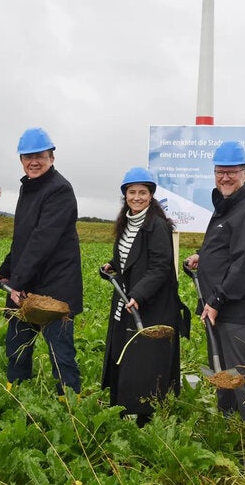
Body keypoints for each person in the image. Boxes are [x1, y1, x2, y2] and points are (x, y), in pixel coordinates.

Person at [185, 141, 245, 442]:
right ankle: (228, 435)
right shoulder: (228, 208)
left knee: (240, 377)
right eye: (220, 172)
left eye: (231, 172)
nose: (225, 177)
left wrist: (217, 300)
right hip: (219, 310)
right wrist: (202, 256)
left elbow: (243, 264)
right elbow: (227, 248)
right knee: (223, 376)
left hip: (234, 312)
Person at [0, 127, 83, 395]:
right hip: (26, 286)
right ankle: (17, 393)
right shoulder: (28, 188)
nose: (33, 161)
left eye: (40, 156)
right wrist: (6, 271)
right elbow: (23, 239)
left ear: (52, 158)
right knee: (18, 345)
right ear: (21, 159)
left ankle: (70, 403)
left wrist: (17, 282)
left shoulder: (60, 190)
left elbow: (42, 241)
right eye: (27, 156)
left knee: (60, 351)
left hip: (56, 288)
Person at [101, 167, 183, 426]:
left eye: (142, 193)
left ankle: (145, 420)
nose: (136, 197)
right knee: (124, 358)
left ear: (151, 196)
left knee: (145, 365)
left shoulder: (156, 225)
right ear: (125, 195)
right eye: (131, 192)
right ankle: (123, 412)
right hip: (127, 302)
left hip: (150, 305)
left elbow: (160, 267)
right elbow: (128, 258)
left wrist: (138, 294)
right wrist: (112, 265)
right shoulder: (126, 223)